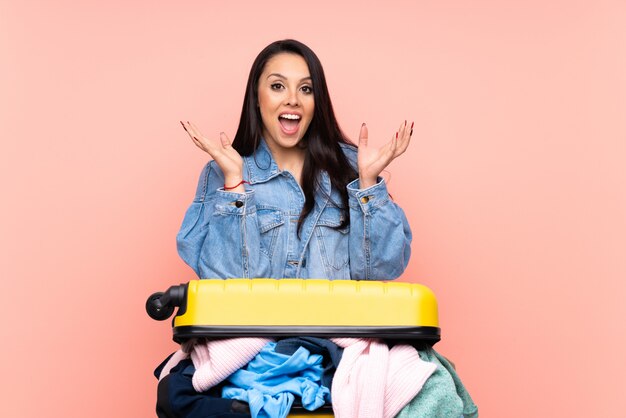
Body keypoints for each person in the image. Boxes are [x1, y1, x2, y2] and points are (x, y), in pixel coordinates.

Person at [177, 39, 413, 281]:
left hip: (337, 320)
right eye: (277, 86)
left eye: (306, 89)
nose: (293, 99)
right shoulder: (221, 173)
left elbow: (381, 270)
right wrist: (235, 185)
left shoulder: (350, 167)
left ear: (316, 102)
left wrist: (368, 184)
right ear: (257, 97)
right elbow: (228, 283)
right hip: (255, 321)